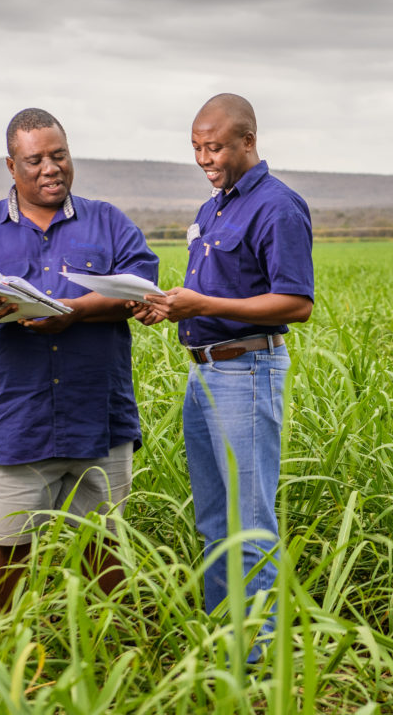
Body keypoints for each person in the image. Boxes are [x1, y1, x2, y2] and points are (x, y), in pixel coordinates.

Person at [0, 107, 159, 610]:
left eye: (59, 155)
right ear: (11, 166)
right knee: (6, 550)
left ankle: (116, 647)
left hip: (98, 417)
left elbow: (142, 293)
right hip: (14, 423)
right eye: (35, 161)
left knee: (104, 548)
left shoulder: (109, 222)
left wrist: (71, 311)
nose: (50, 168)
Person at [131, 93, 313, 651]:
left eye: (214, 147)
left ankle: (257, 662)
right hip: (204, 376)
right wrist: (165, 306)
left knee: (250, 525)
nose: (204, 158)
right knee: (213, 520)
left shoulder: (278, 207)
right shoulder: (213, 209)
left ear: (247, 142)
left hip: (247, 370)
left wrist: (203, 305)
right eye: (196, 148)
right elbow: (211, 294)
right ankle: (223, 639)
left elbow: (295, 304)